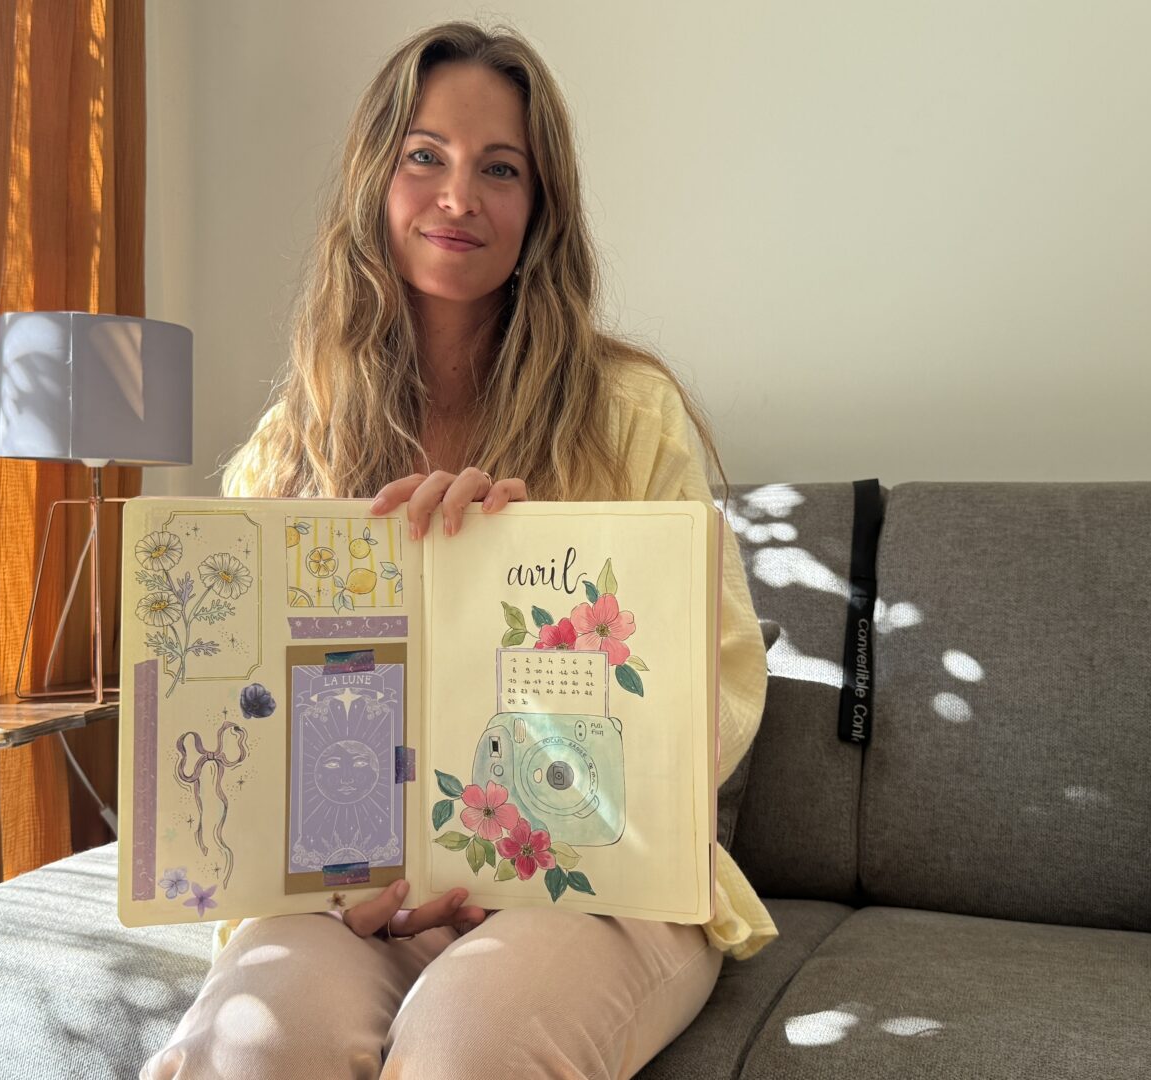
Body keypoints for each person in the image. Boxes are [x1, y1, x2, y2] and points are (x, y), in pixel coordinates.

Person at [142, 20, 775, 1080]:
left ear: (540, 211)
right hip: (349, 898)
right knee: (245, 1050)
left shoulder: (631, 414)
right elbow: (238, 721)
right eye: (424, 156)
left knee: (467, 1050)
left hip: (602, 883)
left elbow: (713, 691)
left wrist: (520, 565)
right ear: (373, 184)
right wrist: (331, 878)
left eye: (501, 169)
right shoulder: (289, 445)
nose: (457, 196)